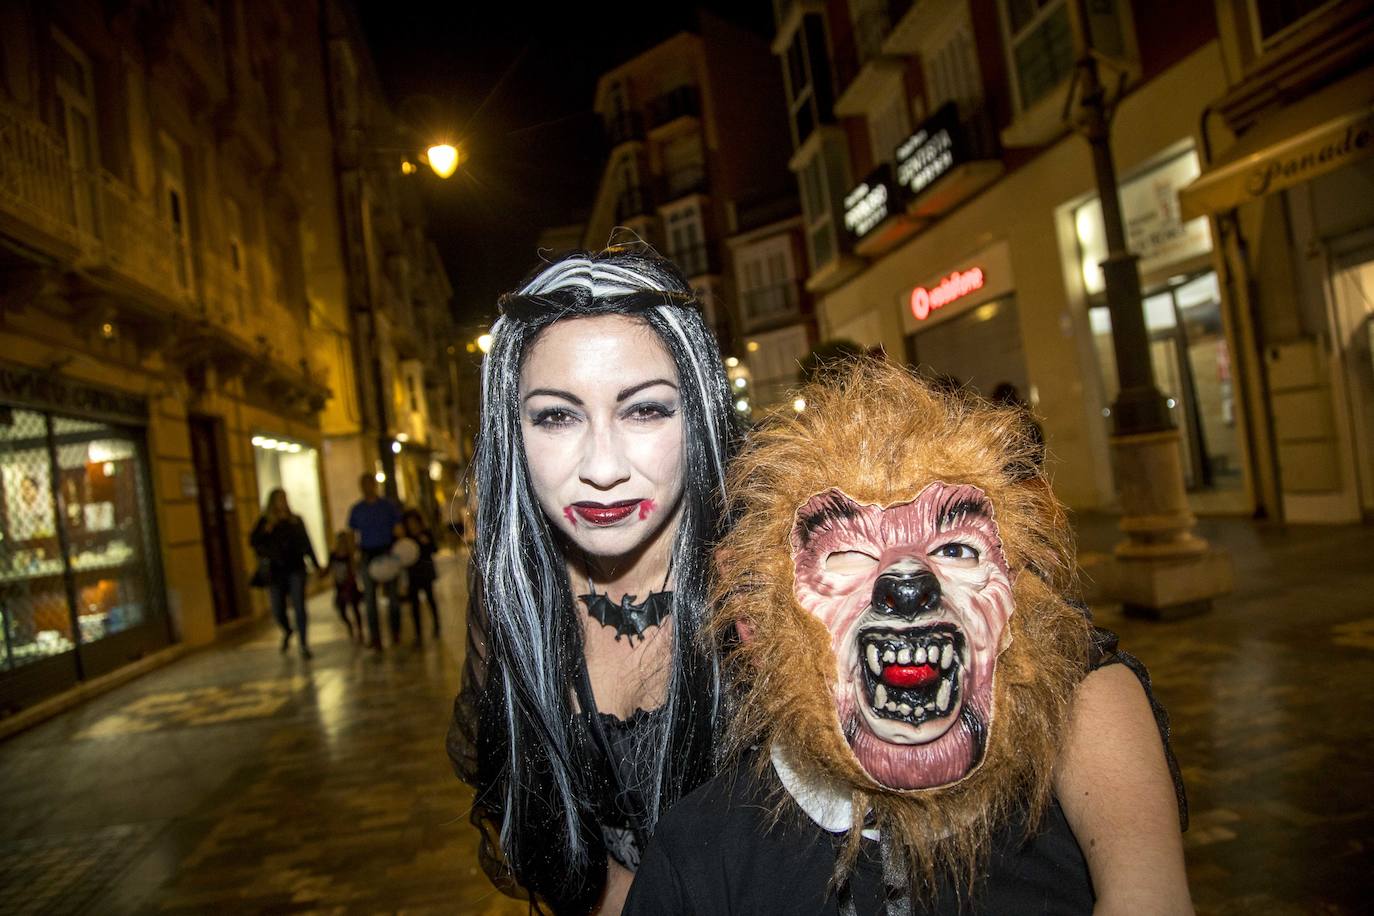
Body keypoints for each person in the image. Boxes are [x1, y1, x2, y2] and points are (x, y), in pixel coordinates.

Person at [624, 360, 1192, 914]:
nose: (908, 581)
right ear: (753, 620)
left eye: (955, 548)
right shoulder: (704, 856)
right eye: (847, 554)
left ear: (1018, 598)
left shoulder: (1076, 761)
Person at [446, 247, 740, 914]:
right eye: (556, 416)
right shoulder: (512, 601)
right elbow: (528, 817)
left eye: (645, 410)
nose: (602, 467)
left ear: (697, 413)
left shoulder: (779, 587)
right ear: (511, 434)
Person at [250, 488, 321, 659]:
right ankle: (288, 630)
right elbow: (253, 541)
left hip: (295, 568)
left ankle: (303, 644)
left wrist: (316, 564)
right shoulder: (266, 522)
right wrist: (266, 531)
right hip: (276, 571)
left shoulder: (295, 521)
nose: (283, 502)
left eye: (284, 499)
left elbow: (306, 543)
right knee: (277, 609)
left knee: (299, 606)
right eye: (279, 499)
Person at [347, 473, 402, 650]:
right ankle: (375, 637)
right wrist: (353, 556)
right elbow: (352, 534)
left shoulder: (387, 506)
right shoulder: (357, 509)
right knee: (370, 600)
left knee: (393, 597)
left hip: (386, 551)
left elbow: (398, 528)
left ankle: (395, 632)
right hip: (367, 554)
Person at [401, 508, 440, 642]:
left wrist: (426, 542)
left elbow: (434, 549)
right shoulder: (406, 538)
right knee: (414, 604)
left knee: (430, 598)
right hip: (413, 574)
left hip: (425, 572)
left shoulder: (426, 533)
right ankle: (418, 633)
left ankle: (437, 626)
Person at [327, 530, 364, 642]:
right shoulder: (333, 555)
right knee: (341, 610)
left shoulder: (350, 556)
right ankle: (350, 626)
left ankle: (360, 630)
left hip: (350, 585)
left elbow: (355, 569)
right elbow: (329, 568)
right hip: (339, 586)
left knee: (355, 608)